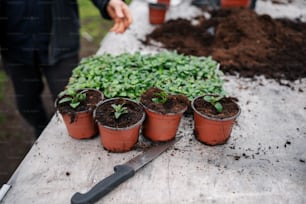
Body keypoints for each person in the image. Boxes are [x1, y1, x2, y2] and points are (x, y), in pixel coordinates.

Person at [0, 0, 132, 138]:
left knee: (71, 101)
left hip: (61, 43)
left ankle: (71, 134)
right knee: (27, 103)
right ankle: (40, 129)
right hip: (16, 48)